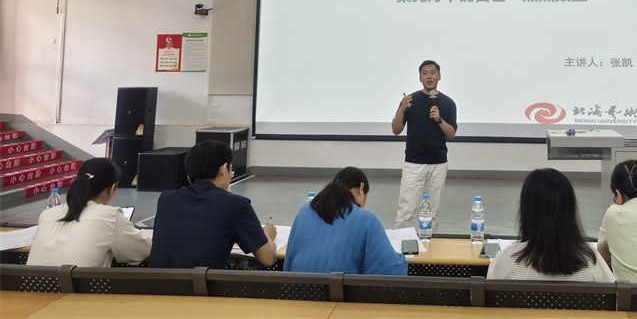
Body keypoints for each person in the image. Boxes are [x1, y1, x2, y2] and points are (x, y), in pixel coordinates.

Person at [148, 140, 276, 268]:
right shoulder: (236, 204)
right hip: (199, 281)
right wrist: (266, 235)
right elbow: (268, 258)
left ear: (189, 176)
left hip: (154, 281)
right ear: (223, 169)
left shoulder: (167, 198)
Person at [487, 168, 615, 282]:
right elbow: (615, 294)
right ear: (569, 211)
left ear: (527, 211)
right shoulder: (591, 261)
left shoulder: (507, 260)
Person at [27, 157, 151, 267]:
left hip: (33, 285)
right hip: (79, 287)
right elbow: (141, 250)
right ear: (112, 189)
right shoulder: (110, 217)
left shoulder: (47, 214)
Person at [284, 166, 407, 275]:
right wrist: (401, 258)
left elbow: (288, 264)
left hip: (297, 290)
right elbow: (392, 272)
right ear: (361, 188)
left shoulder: (305, 209)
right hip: (338, 292)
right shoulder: (366, 218)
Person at [391, 59, 457, 229]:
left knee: (432, 212)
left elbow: (451, 134)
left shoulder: (448, 103)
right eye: (425, 73)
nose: (429, 77)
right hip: (414, 163)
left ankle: (430, 243)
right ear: (420, 78)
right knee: (406, 211)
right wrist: (402, 109)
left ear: (439, 76)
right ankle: (403, 243)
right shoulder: (410, 100)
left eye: (433, 73)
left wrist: (439, 119)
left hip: (438, 164)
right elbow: (396, 130)